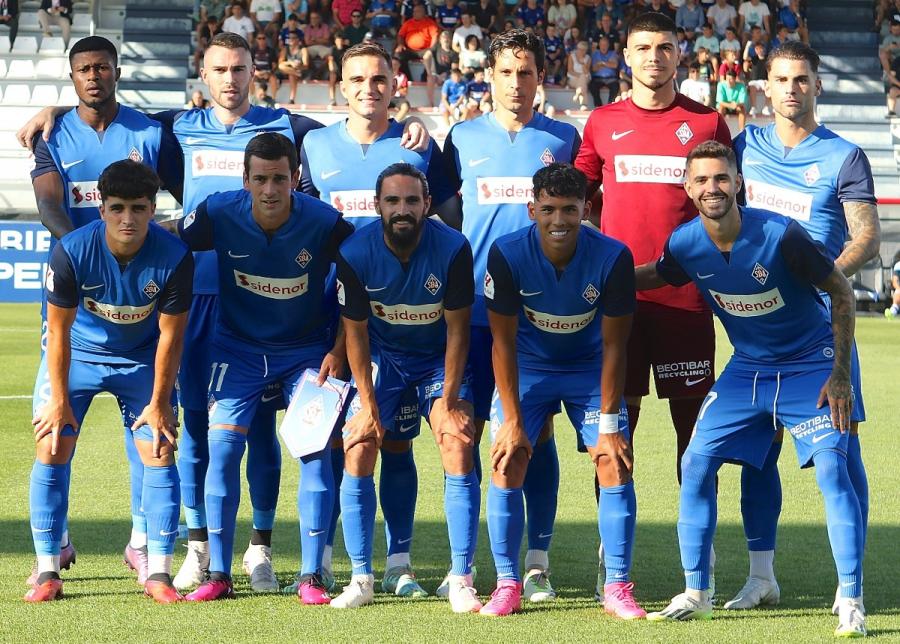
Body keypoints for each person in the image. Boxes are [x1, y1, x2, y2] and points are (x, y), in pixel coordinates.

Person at [640, 140, 866, 639]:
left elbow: (842, 292)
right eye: (700, 180)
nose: (711, 188)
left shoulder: (781, 235)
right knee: (696, 462)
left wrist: (842, 375)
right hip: (749, 370)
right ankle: (697, 593)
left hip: (812, 365)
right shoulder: (685, 243)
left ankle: (851, 596)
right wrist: (605, 275)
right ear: (687, 188)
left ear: (739, 182)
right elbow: (659, 274)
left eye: (721, 178)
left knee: (832, 467)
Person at [574, 11, 731, 600]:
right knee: (616, 434)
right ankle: (610, 561)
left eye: (664, 47)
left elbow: (724, 197)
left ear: (679, 53)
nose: (654, 58)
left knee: (697, 439)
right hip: (619, 309)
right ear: (626, 56)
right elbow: (573, 193)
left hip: (687, 302)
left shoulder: (706, 120)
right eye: (643, 48)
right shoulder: (603, 121)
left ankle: (702, 555)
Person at [25, 35, 184, 589]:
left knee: (155, 440)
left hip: (141, 314)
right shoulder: (55, 132)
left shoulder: (151, 131)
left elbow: (191, 179)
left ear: (117, 70)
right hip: (80, 301)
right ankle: (52, 555)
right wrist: (95, 253)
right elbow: (49, 202)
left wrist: (134, 250)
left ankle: (144, 547)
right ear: (72, 79)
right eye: (82, 70)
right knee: (52, 435)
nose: (93, 77)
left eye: (102, 67)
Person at [729, 40, 881, 616]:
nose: (790, 89)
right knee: (757, 451)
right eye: (780, 79)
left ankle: (853, 581)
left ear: (817, 85)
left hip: (821, 324)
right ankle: (760, 576)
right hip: (759, 325)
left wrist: (822, 276)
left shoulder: (844, 155)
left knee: (841, 452)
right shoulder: (746, 147)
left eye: (801, 79)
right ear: (764, 87)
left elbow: (865, 236)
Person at [170, 132, 354, 603]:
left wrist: (339, 347)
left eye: (279, 179)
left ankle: (312, 576)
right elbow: (169, 244)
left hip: (306, 352)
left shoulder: (326, 222)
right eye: (260, 179)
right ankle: (218, 572)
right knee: (223, 448)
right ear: (245, 180)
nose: (269, 189)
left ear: (295, 179)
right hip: (238, 350)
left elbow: (359, 283)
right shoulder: (216, 212)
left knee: (312, 451)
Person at [442, 28, 581, 605]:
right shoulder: (459, 139)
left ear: (539, 78)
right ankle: (464, 567)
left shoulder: (563, 139)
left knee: (535, 435)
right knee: (464, 436)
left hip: (537, 317)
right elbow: (448, 221)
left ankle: (537, 562)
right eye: (506, 72)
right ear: (489, 77)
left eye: (526, 72)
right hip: (471, 314)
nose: (516, 83)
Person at [481, 163, 641, 618]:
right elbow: (502, 344)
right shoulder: (507, 254)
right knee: (507, 456)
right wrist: (511, 421)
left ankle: (617, 587)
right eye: (548, 209)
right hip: (529, 367)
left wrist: (609, 425)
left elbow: (615, 346)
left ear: (586, 209)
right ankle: (508, 583)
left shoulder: (612, 257)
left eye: (569, 209)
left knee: (613, 458)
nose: (558, 220)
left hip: (589, 369)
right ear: (532, 209)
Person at [331, 163, 480, 612]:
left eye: (411, 201)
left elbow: (457, 332)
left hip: (437, 358)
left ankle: (461, 577)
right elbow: (354, 333)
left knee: (456, 441)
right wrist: (368, 406)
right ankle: (362, 577)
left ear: (427, 205)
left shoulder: (453, 248)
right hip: (384, 358)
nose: (402, 209)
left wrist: (450, 401)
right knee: (359, 443)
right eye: (392, 201)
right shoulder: (354, 251)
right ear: (377, 205)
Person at [589, 35, 619, 106]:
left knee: (615, 86)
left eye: (605, 45)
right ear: (599, 45)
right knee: (592, 86)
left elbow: (614, 65)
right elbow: (594, 68)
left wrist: (602, 63)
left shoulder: (613, 53)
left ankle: (609, 106)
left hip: (611, 78)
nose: (603, 46)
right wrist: (608, 63)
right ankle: (598, 107)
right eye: (602, 45)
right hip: (597, 78)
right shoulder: (595, 54)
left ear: (608, 45)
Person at [278, 30, 306, 103]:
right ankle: (295, 73)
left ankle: (292, 98)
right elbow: (280, 63)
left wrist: (298, 65)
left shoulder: (303, 50)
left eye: (293, 38)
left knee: (291, 75)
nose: (291, 39)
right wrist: (291, 62)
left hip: (300, 70)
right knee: (281, 66)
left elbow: (306, 65)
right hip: (289, 70)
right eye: (289, 38)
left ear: (298, 39)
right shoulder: (285, 49)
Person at [566, 40, 590, 109]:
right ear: (577, 49)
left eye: (584, 50)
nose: (582, 51)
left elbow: (586, 72)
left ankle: (578, 93)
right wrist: (580, 75)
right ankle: (583, 104)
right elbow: (570, 71)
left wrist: (583, 63)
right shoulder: (572, 56)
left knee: (583, 78)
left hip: (585, 78)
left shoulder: (588, 58)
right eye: (580, 49)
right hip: (573, 78)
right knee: (582, 79)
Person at [885, 251, 900, 318]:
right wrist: (898, 288)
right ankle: (893, 311)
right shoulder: (898, 265)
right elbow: (895, 281)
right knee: (898, 291)